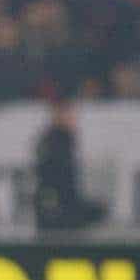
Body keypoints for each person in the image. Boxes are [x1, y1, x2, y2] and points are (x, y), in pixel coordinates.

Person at [34, 99, 105, 234]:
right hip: (57, 209)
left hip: (61, 205)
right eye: (69, 114)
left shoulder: (61, 141)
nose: (74, 118)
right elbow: (54, 183)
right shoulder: (55, 143)